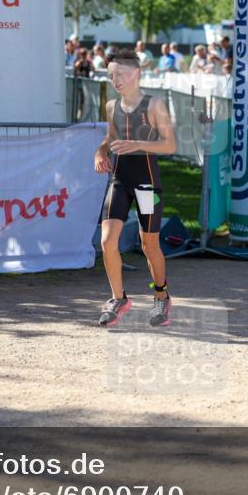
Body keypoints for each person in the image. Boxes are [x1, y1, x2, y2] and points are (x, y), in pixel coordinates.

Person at [93, 49, 177, 327]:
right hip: (120, 180)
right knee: (107, 242)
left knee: (148, 245)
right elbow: (110, 137)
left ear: (136, 73)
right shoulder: (111, 106)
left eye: (120, 74)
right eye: (111, 75)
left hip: (147, 185)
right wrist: (100, 152)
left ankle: (161, 297)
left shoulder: (154, 105)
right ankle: (119, 298)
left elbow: (170, 145)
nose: (116, 80)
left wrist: (138, 145)